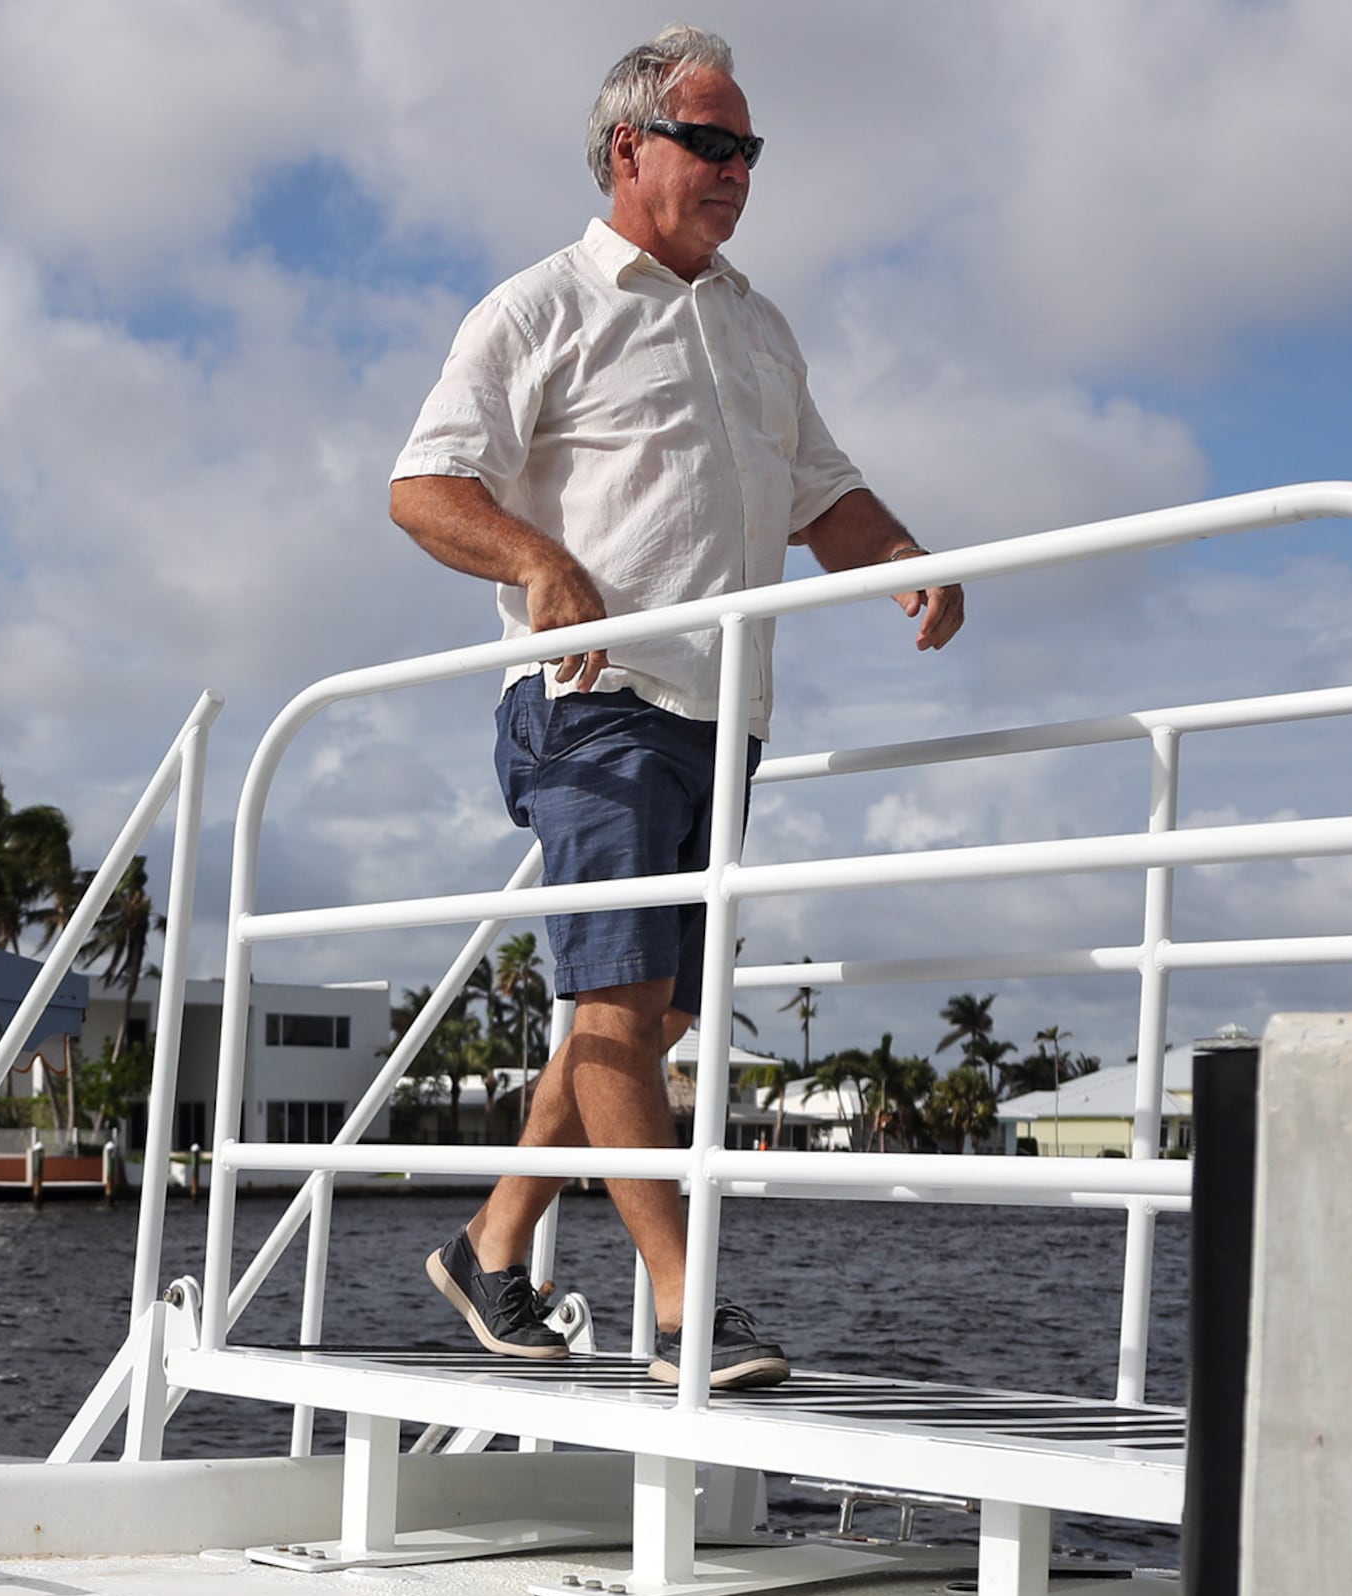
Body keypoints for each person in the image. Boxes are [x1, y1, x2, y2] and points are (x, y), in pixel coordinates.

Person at [390, 23, 964, 1394]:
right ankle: (681, 1303)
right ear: (626, 148)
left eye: (749, 148)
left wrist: (905, 563)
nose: (738, 169)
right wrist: (540, 562)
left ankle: (495, 1239)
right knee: (620, 994)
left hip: (725, 714)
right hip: (595, 702)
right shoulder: (538, 309)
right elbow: (427, 487)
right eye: (712, 143)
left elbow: (826, 494)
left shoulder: (760, 328)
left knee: (643, 1013)